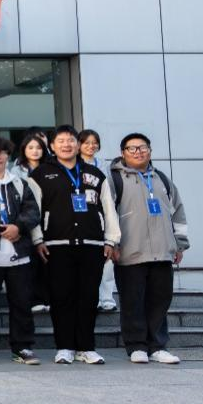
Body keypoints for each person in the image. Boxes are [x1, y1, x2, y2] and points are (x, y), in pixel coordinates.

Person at [30, 125, 120, 364]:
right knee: (61, 297)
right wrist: (37, 239)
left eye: (70, 140)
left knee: (88, 297)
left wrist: (111, 239)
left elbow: (108, 208)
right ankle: (65, 347)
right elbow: (33, 210)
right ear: (52, 146)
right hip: (56, 245)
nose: (66, 145)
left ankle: (86, 347)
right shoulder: (41, 174)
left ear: (78, 145)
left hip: (92, 244)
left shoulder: (95, 174)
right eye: (60, 141)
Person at [111, 133, 189, 364]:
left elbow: (178, 212)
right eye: (132, 148)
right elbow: (108, 214)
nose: (138, 152)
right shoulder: (115, 179)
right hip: (130, 252)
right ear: (123, 152)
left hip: (163, 252)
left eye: (142, 147)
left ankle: (157, 346)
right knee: (132, 302)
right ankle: (136, 346)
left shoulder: (161, 179)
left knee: (160, 300)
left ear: (150, 151)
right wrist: (112, 243)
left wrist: (180, 244)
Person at [0, 137, 43, 365]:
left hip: (19, 254)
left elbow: (32, 211)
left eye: (2, 152)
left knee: (22, 303)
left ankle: (22, 347)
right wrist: (0, 228)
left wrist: (18, 227)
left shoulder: (19, 182)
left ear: (8, 156)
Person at [79, 128, 118, 312]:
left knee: (106, 257)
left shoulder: (103, 164)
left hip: (101, 213)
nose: (91, 146)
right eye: (86, 142)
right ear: (79, 145)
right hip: (81, 215)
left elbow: (111, 192)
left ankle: (107, 297)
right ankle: (92, 297)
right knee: (87, 261)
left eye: (94, 143)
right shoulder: (74, 164)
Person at [14, 130, 53, 313]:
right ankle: (35, 299)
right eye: (30, 147)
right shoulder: (16, 170)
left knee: (48, 259)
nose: (35, 151)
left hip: (49, 218)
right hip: (26, 218)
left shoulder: (50, 168)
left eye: (38, 147)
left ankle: (48, 297)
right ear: (24, 149)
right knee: (31, 260)